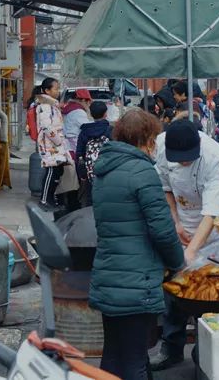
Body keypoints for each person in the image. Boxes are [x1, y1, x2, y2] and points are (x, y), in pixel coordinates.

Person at [89, 108, 184, 380]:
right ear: (145, 140)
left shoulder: (104, 171)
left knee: (113, 356)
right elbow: (163, 230)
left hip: (109, 277)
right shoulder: (142, 171)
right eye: (153, 139)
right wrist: (178, 263)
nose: (155, 146)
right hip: (136, 282)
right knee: (134, 363)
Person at [150, 118, 219, 371]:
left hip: (215, 227)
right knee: (174, 289)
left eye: (188, 158)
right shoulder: (161, 145)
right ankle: (171, 348)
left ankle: (205, 350)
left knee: (209, 291)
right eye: (180, 159)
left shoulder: (215, 156)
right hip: (183, 221)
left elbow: (211, 213)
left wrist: (191, 251)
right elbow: (165, 187)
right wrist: (175, 222)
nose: (184, 162)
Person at [35, 77, 72, 209]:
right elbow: (46, 126)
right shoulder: (44, 106)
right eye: (55, 88)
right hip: (50, 145)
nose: (58, 91)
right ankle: (45, 200)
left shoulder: (52, 105)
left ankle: (50, 199)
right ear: (47, 90)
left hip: (55, 145)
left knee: (56, 171)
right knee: (51, 171)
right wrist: (58, 140)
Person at [76, 101, 114, 207]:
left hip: (90, 172)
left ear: (91, 114)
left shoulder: (84, 132)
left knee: (90, 200)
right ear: (105, 114)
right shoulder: (110, 130)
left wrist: (81, 173)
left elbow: (79, 153)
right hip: (109, 171)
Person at [63, 89, 93, 155]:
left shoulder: (69, 108)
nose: (89, 104)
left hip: (67, 142)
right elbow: (87, 127)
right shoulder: (79, 111)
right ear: (82, 100)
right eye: (88, 101)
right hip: (74, 142)